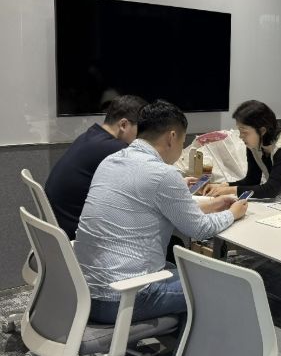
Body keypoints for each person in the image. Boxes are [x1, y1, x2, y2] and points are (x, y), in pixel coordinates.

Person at [74, 100, 248, 325]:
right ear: (171, 137)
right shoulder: (163, 174)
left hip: (82, 292)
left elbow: (151, 206)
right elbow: (199, 229)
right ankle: (190, 348)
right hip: (120, 298)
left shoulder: (111, 161)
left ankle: (176, 337)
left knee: (177, 269)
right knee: (223, 284)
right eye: (183, 142)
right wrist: (233, 213)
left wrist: (213, 205)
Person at [45, 95, 147, 239]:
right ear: (123, 125)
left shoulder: (90, 135)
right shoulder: (115, 149)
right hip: (79, 236)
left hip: (61, 228)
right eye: (141, 130)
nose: (143, 137)